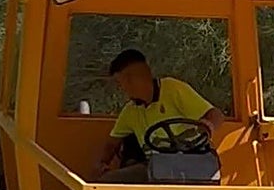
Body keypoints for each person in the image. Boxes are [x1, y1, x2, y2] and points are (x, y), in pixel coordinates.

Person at [94, 48, 226, 183]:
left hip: (191, 164)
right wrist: (103, 163)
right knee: (105, 182)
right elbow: (112, 142)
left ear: (131, 79)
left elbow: (216, 115)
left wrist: (207, 125)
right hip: (155, 168)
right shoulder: (130, 111)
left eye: (119, 83)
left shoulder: (173, 89)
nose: (120, 89)